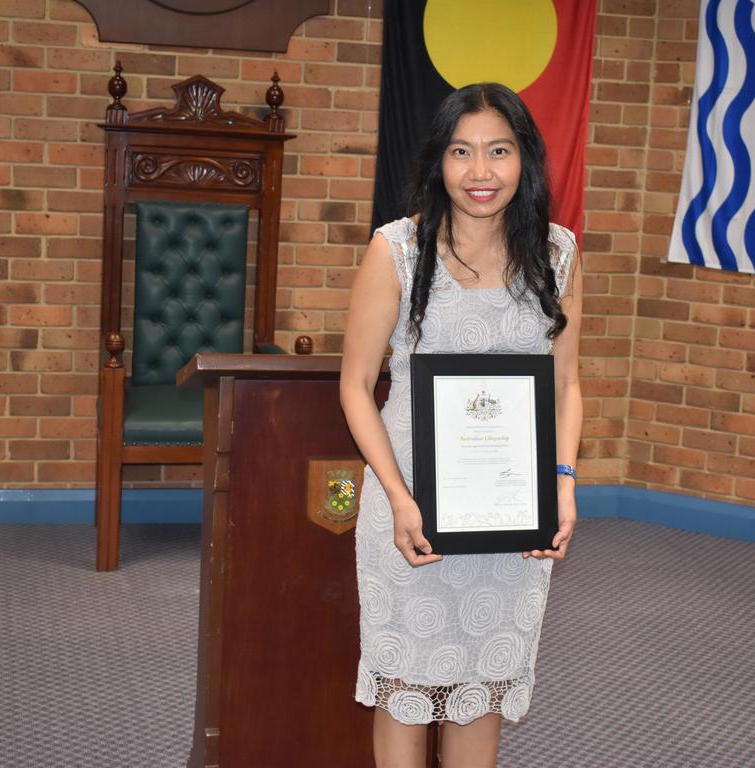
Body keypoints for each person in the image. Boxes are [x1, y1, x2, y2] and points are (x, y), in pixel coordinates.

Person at [339, 83, 583, 768]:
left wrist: (562, 483)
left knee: (482, 688)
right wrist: (397, 497)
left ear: (525, 159)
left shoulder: (558, 255)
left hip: (512, 511)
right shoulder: (397, 250)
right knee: (406, 686)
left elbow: (566, 384)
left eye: (499, 152)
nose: (481, 173)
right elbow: (355, 387)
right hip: (410, 506)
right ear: (438, 163)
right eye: (462, 152)